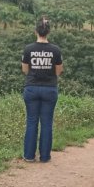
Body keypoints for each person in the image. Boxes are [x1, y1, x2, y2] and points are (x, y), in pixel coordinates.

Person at [21, 17, 63, 162]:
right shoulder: (55, 50)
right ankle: (45, 156)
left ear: (36, 31)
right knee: (46, 123)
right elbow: (58, 71)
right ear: (49, 32)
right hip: (49, 89)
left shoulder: (28, 49)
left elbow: (25, 69)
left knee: (31, 121)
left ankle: (29, 156)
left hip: (31, 88)